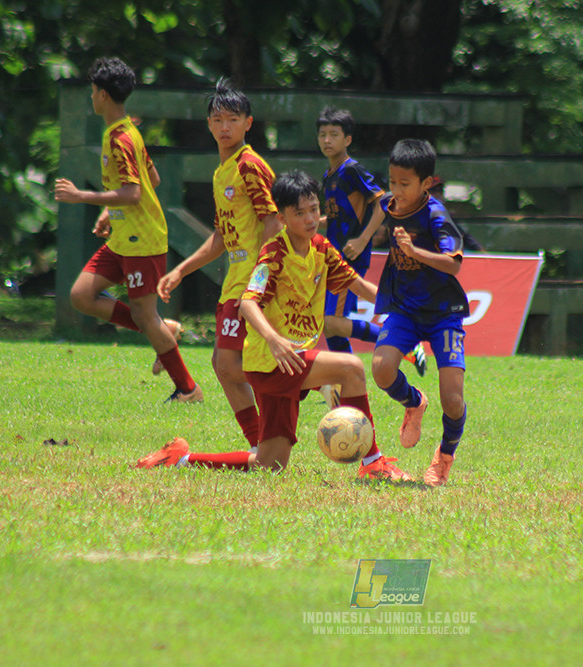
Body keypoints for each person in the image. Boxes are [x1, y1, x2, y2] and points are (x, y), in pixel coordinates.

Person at [138, 171, 414, 481]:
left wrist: (404, 311)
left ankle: (180, 458)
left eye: (313, 209)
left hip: (287, 361)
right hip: (272, 361)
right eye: (300, 213)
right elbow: (247, 303)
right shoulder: (275, 253)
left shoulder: (321, 248)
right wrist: (272, 339)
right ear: (281, 217)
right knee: (351, 368)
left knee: (270, 465)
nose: (310, 218)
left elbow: (358, 285)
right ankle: (373, 464)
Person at [54, 57, 198, 403]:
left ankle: (188, 389)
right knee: (81, 296)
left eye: (92, 92)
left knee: (145, 315)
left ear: (102, 95)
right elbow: (152, 178)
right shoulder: (124, 132)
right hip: (123, 238)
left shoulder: (122, 139)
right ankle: (167, 330)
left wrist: (81, 196)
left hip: (142, 241)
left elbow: (134, 192)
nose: (91, 97)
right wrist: (108, 209)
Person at [154, 78, 281, 452]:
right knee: (224, 366)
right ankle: (260, 444)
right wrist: (181, 270)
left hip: (252, 281)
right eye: (217, 120)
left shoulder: (249, 166)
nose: (224, 127)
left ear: (248, 123)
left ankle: (301, 382)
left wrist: (264, 275)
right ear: (209, 124)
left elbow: (274, 222)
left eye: (232, 119)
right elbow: (222, 236)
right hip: (235, 279)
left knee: (227, 363)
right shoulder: (221, 172)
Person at [371, 139, 470, 487]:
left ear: (426, 183)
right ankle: (414, 402)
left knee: (453, 400)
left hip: (444, 312)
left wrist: (414, 252)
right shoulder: (389, 202)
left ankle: (444, 456)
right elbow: (376, 206)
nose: (395, 190)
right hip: (405, 308)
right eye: (392, 181)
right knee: (382, 371)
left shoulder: (436, 215)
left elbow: (454, 265)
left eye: (404, 184)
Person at [315, 107, 426, 407]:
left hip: (350, 256)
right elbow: (342, 214)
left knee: (331, 322)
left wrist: (363, 239)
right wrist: (315, 222)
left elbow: (384, 201)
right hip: (334, 256)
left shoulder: (351, 170)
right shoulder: (329, 175)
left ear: (347, 139)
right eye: (323, 134)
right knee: (332, 327)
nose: (327, 140)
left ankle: (404, 345)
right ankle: (346, 391)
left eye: (334, 135)